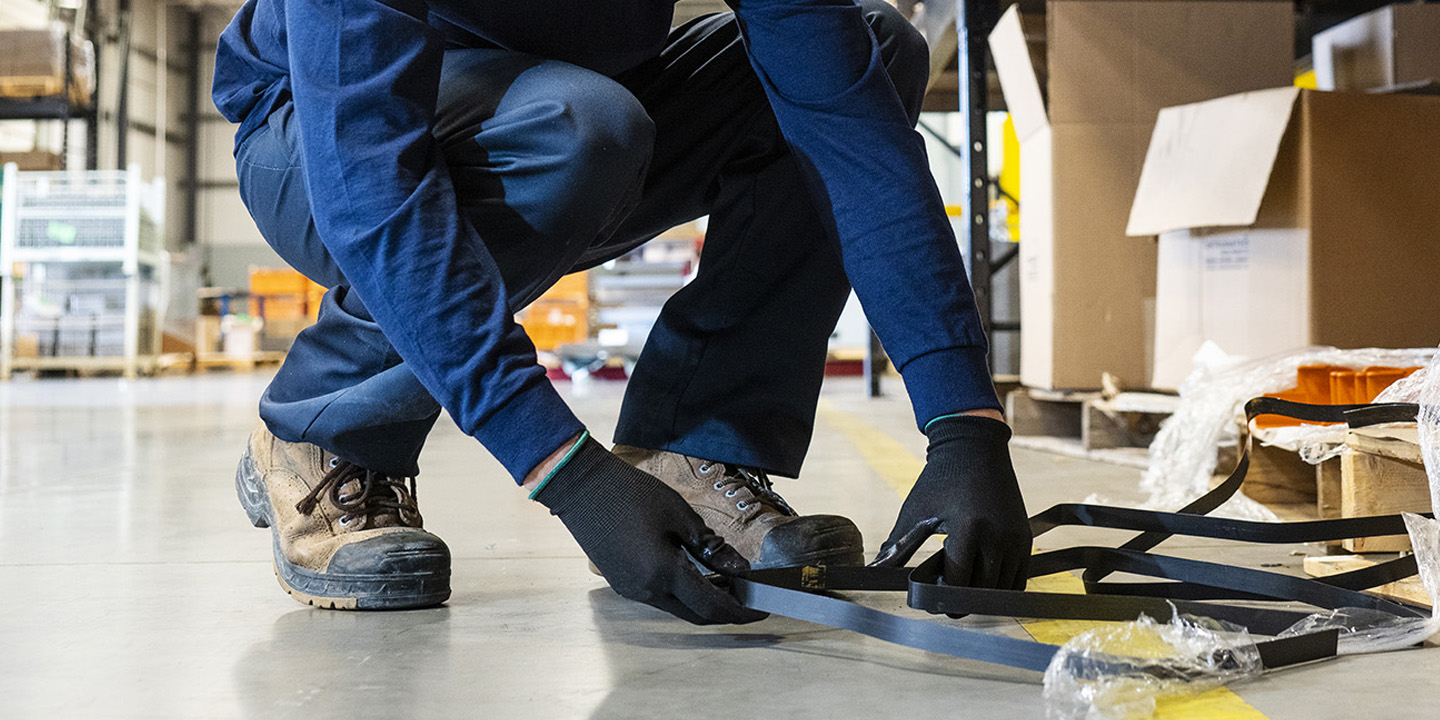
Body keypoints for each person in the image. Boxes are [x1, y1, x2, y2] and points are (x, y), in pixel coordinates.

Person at [213, 0, 1033, 622]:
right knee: (579, 127)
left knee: (876, 50)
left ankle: (695, 443)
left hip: (572, 97)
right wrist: (568, 474)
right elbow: (369, 184)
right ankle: (324, 428)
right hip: (316, 125)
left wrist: (964, 424)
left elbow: (849, 130)